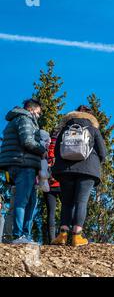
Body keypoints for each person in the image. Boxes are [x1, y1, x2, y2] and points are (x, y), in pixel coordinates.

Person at [51, 106, 107, 247]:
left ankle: (63, 235)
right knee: (81, 202)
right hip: (87, 170)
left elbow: (57, 150)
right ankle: (77, 236)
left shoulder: (65, 128)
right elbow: (103, 153)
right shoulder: (93, 129)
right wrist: (94, 163)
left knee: (67, 202)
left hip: (66, 170)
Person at [0, 99, 46, 244]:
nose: (38, 116)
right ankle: (18, 235)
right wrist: (42, 150)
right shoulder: (25, 118)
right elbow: (27, 141)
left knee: (31, 200)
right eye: (38, 113)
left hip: (19, 163)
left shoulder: (16, 119)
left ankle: (24, 235)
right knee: (23, 201)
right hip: (23, 163)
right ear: (31, 110)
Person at [43, 129, 62, 244]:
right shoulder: (62, 146)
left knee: (51, 213)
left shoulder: (45, 147)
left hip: (48, 183)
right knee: (67, 210)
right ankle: (64, 237)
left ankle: (52, 240)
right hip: (61, 183)